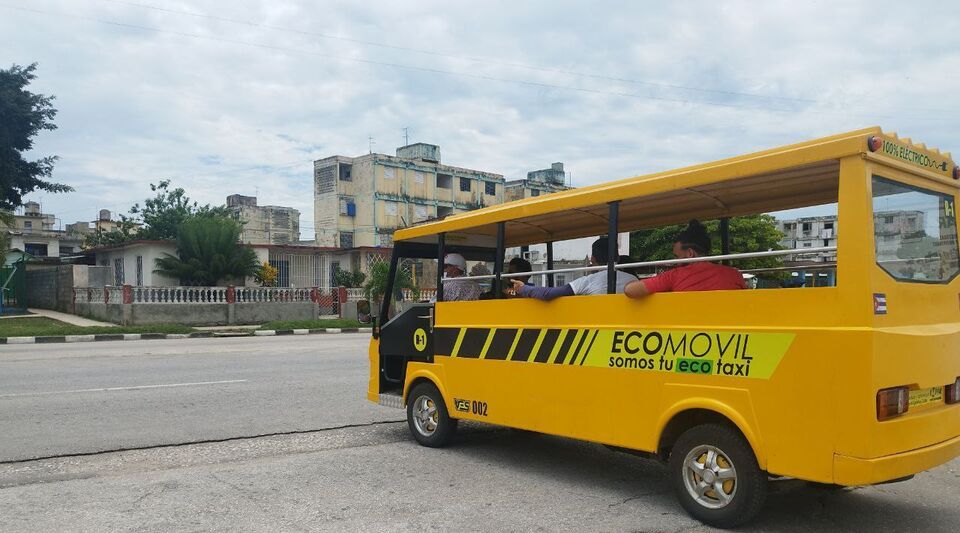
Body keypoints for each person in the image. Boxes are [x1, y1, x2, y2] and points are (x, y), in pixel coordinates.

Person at [624, 219, 746, 298]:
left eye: (677, 257)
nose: (676, 263)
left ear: (690, 253)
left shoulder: (675, 275)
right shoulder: (734, 274)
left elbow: (630, 290)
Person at [509, 237, 636, 300]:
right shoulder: (634, 280)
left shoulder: (589, 281)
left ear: (592, 258)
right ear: (618, 257)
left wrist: (523, 288)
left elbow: (548, 294)